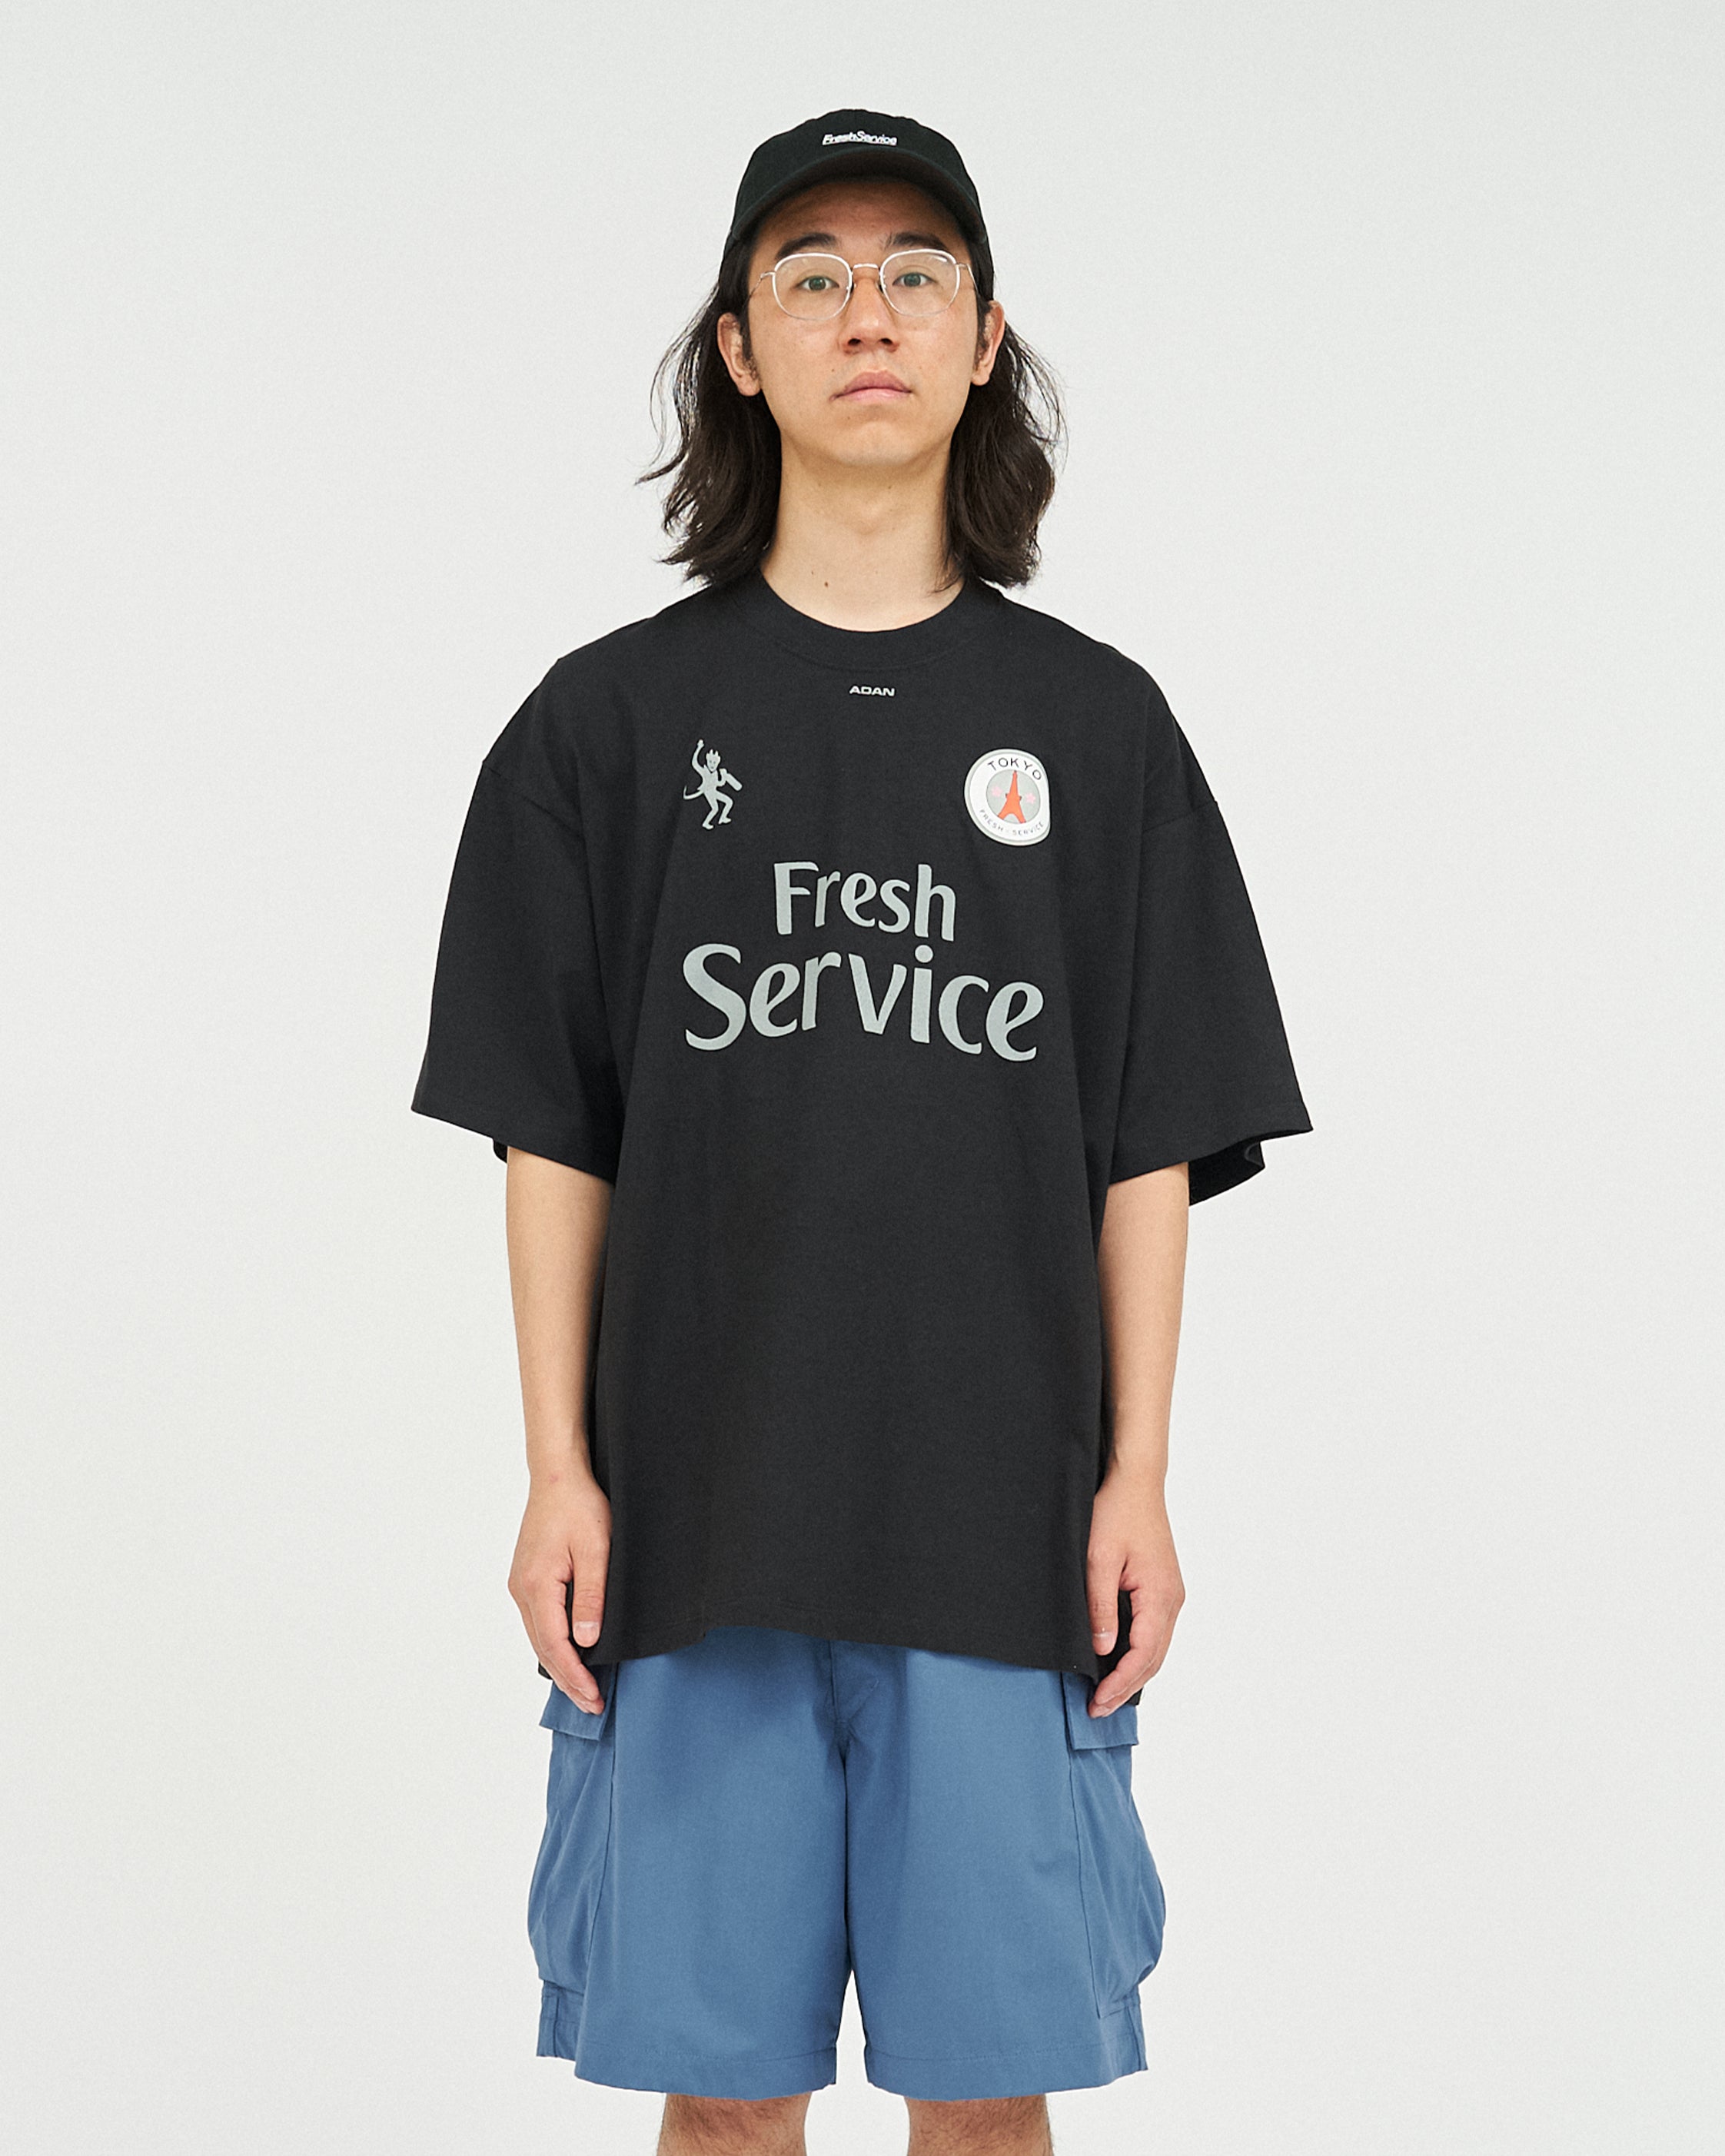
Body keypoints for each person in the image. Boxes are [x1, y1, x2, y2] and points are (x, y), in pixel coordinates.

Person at [410, 107, 1311, 2156]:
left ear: (984, 339)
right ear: (739, 350)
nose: (866, 314)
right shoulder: (603, 729)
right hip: (696, 1530)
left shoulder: (1097, 731)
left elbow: (1146, 1143)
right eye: (808, 276)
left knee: (985, 2105)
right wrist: (557, 1472)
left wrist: (1139, 1478)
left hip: (1000, 1529)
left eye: (916, 272)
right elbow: (554, 1138)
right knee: (724, 2111)